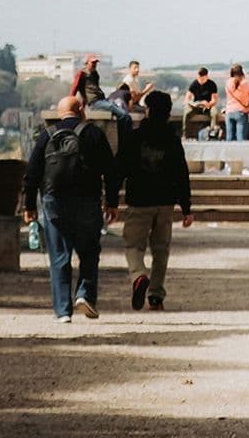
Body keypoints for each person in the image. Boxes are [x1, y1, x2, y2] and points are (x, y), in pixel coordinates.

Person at [22, 95, 119, 323]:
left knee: (59, 256)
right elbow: (111, 171)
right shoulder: (94, 133)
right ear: (82, 110)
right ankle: (85, 294)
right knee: (89, 251)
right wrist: (112, 202)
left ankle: (63, 311)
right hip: (88, 200)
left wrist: (29, 206)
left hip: (54, 201)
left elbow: (32, 173)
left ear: (60, 112)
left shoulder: (48, 134)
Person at [118, 88, 193, 311]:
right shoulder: (172, 140)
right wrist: (186, 207)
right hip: (165, 201)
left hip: (139, 199)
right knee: (161, 250)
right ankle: (156, 295)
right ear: (169, 112)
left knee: (133, 245)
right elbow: (182, 174)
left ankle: (139, 275)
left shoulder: (135, 136)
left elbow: (119, 167)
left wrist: (111, 199)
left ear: (148, 111)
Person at [185, 66, 220, 139]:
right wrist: (193, 104)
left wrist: (208, 104)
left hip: (208, 106)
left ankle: (212, 133)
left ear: (206, 76)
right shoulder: (194, 83)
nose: (200, 80)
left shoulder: (212, 84)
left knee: (214, 112)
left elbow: (214, 99)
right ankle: (185, 134)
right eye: (199, 78)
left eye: (202, 78)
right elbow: (187, 98)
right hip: (196, 106)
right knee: (186, 113)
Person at [224, 63, 249, 142]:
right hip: (241, 112)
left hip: (229, 111)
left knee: (229, 137)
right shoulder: (245, 83)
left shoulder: (228, 82)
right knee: (240, 138)